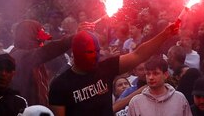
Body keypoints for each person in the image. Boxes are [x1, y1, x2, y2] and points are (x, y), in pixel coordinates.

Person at [47, 19, 181, 116]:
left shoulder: (105, 67)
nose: (95, 56)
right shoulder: (60, 85)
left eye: (97, 51)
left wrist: (165, 35)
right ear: (76, 53)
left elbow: (138, 54)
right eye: (89, 52)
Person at [127, 56, 192, 116]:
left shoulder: (179, 99)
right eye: (148, 74)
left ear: (165, 75)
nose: (151, 77)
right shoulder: (136, 102)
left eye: (155, 73)